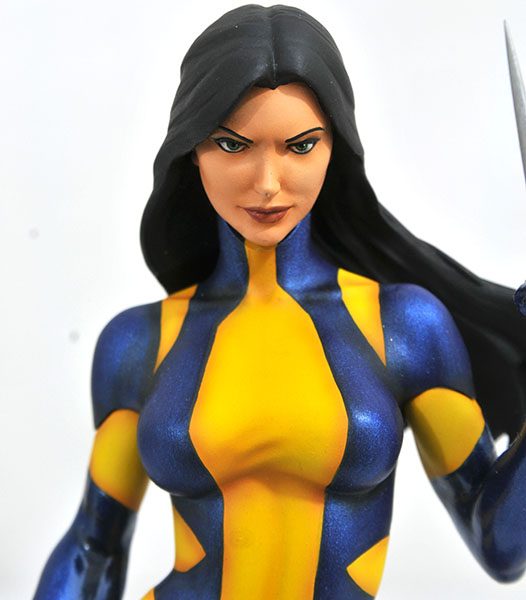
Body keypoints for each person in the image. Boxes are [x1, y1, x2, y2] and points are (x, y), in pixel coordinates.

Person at [34, 5, 526, 599]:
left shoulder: (404, 326)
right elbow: (93, 547)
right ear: (192, 148)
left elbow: (501, 547)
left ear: (334, 147)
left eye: (300, 145)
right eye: (232, 144)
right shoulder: (140, 342)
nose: (268, 182)